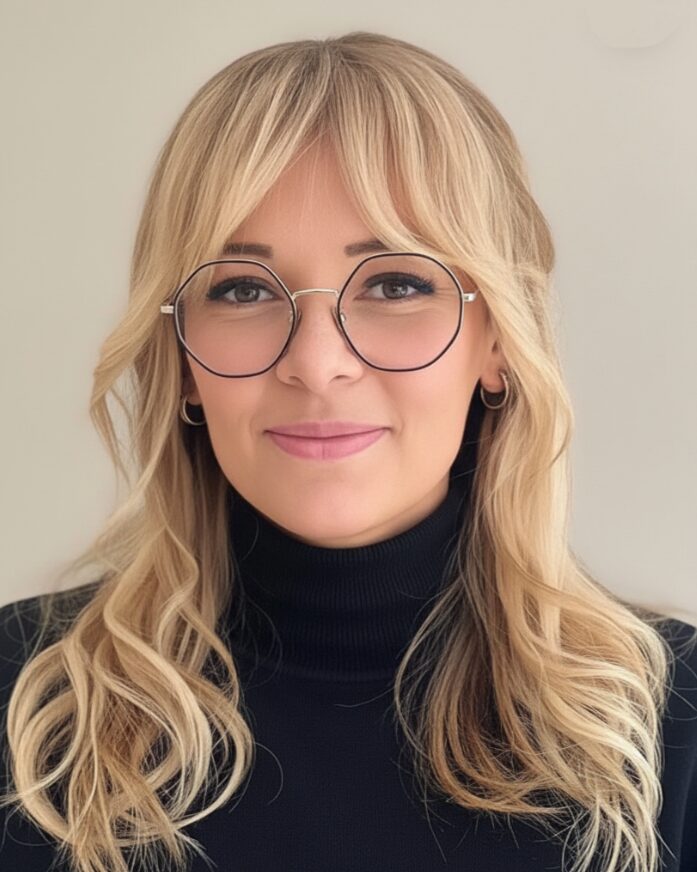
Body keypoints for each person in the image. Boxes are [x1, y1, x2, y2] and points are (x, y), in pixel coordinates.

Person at [1, 30, 695, 872]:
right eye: (242, 289)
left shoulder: (672, 726)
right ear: (181, 358)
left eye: (395, 284)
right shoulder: (23, 704)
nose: (317, 362)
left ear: (497, 342)